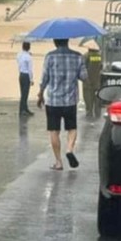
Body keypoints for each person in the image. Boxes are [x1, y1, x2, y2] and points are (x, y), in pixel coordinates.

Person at [37, 39, 87, 170]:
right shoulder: (78, 56)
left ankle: (58, 162)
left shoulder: (50, 56)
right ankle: (69, 149)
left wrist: (40, 94)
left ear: (55, 42)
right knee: (72, 128)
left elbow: (44, 78)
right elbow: (84, 77)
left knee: (54, 131)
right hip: (70, 101)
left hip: (53, 101)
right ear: (67, 41)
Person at [83, 44, 102, 120]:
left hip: (87, 80)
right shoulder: (99, 56)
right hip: (97, 80)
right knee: (97, 97)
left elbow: (82, 67)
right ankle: (97, 112)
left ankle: (89, 112)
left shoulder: (86, 56)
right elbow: (101, 67)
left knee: (88, 97)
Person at [17, 41, 34, 117]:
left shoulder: (19, 55)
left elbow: (18, 61)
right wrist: (31, 79)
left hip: (21, 74)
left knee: (23, 93)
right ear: (29, 47)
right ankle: (22, 110)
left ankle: (25, 108)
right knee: (25, 94)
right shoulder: (29, 57)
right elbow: (30, 69)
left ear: (22, 47)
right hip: (26, 75)